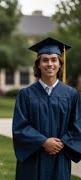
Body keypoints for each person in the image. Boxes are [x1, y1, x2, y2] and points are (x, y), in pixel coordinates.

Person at [12, 37, 81, 180]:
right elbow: (19, 127)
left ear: (60, 64)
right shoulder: (25, 94)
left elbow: (78, 125)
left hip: (59, 157)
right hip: (33, 158)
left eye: (54, 59)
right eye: (45, 60)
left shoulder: (71, 95)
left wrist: (61, 143)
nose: (50, 64)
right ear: (38, 65)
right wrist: (43, 142)